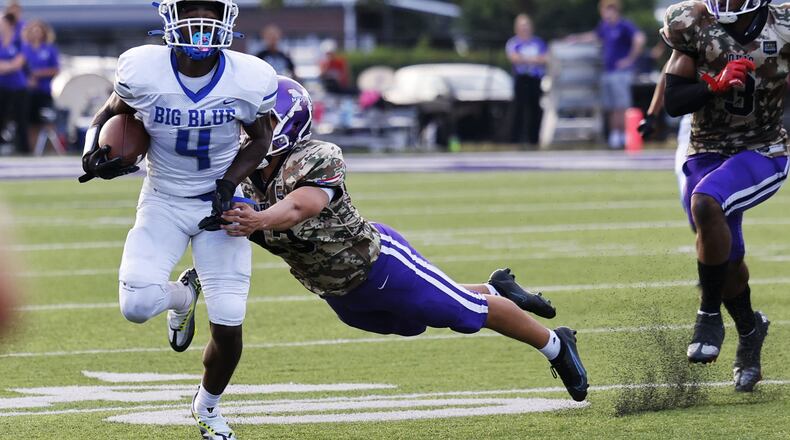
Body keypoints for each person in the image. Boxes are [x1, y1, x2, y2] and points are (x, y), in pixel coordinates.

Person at [198, 76, 589, 403]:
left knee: (466, 313)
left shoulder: (317, 156)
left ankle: (556, 344)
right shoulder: (245, 174)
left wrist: (258, 219)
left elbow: (302, 207)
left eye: (259, 121)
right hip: (337, 291)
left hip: (379, 264)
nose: (249, 131)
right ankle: (497, 287)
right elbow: (231, 227)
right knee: (414, 321)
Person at [78, 1, 277, 438]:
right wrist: (94, 153)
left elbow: (261, 137)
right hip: (163, 198)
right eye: (191, 11)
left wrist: (229, 183)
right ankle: (184, 299)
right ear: (170, 17)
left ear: (228, 18)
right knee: (135, 305)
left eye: (210, 12)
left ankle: (208, 408)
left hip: (219, 205)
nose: (201, 23)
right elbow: (110, 114)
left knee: (228, 319)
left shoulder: (251, 76)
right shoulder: (142, 67)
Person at [662, 0, 789, 392]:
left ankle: (707, 315)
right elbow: (673, 100)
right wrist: (712, 84)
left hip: (763, 149)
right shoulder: (692, 21)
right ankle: (751, 331)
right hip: (706, 148)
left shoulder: (783, 24)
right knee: (724, 256)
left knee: (707, 202)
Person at [568, 0, 645, 149]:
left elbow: (639, 39)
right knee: (611, 106)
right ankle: (615, 135)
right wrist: (575, 39)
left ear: (616, 11)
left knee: (621, 106)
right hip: (607, 72)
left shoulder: (624, 25)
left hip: (620, 73)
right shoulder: (604, 27)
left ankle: (624, 135)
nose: (607, 13)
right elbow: (593, 36)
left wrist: (629, 59)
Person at [506, 13, 547, 147]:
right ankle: (516, 140)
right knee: (519, 109)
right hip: (521, 79)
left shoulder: (538, 42)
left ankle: (533, 139)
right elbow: (514, 58)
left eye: (526, 25)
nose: (524, 28)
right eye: (521, 26)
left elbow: (544, 58)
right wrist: (532, 60)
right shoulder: (514, 43)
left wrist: (525, 59)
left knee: (535, 109)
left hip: (535, 79)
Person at [22, 20, 60, 150]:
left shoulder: (49, 49)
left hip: (44, 91)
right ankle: (32, 149)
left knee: (47, 121)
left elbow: (55, 69)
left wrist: (38, 74)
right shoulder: (24, 49)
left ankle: (51, 150)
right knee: (30, 122)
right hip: (28, 91)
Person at [0, 13, 28, 154]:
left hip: (18, 87)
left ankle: (24, 149)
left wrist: (6, 66)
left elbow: (19, 63)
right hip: (2, 86)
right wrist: (9, 65)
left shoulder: (18, 41)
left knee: (20, 119)